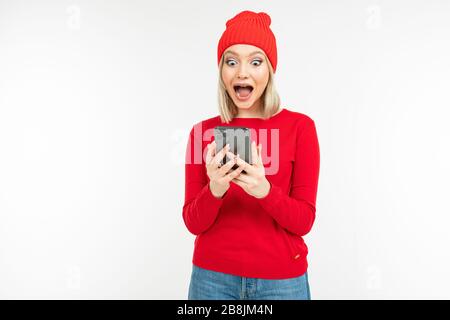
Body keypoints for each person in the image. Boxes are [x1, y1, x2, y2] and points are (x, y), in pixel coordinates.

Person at [183, 10, 320, 300]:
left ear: (269, 70)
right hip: (212, 279)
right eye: (231, 62)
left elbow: (304, 221)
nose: (242, 72)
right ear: (222, 70)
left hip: (282, 282)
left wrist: (265, 190)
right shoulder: (201, 133)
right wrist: (216, 188)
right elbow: (193, 223)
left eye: (255, 62)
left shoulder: (301, 127)